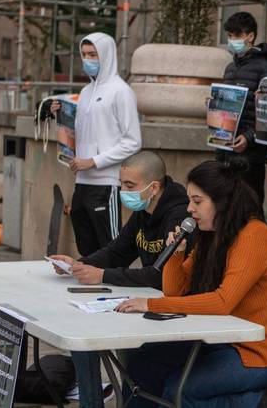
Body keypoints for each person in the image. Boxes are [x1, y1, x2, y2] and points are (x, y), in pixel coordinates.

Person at [113, 158, 267, 407]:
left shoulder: (254, 236)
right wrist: (176, 255)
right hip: (218, 340)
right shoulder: (213, 236)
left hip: (255, 352)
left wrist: (152, 304)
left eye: (197, 201)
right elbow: (174, 292)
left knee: (179, 388)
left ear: (223, 203)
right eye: (189, 200)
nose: (190, 209)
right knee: (144, 364)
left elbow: (222, 302)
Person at [50, 151, 190, 407]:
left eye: (129, 186)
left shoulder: (179, 217)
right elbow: (118, 251)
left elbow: (159, 276)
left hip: (171, 309)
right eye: (121, 184)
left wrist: (102, 275)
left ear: (153, 187)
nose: (123, 191)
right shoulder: (144, 211)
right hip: (146, 301)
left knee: (139, 365)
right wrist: (80, 264)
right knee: (82, 328)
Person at [51, 33, 142, 257]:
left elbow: (133, 141)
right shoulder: (85, 92)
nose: (87, 60)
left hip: (106, 184)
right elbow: (84, 132)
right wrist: (61, 115)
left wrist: (94, 161)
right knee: (86, 248)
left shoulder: (121, 92)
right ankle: (91, 288)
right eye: (84, 55)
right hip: (81, 183)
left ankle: (115, 290)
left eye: (93, 55)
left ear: (107, 55)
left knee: (111, 247)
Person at [219, 12, 267, 208]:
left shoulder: (266, 68)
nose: (232, 40)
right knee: (227, 207)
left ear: (250, 36)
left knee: (250, 205)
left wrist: (248, 137)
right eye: (229, 36)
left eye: (236, 35)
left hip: (251, 153)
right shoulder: (230, 68)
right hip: (226, 148)